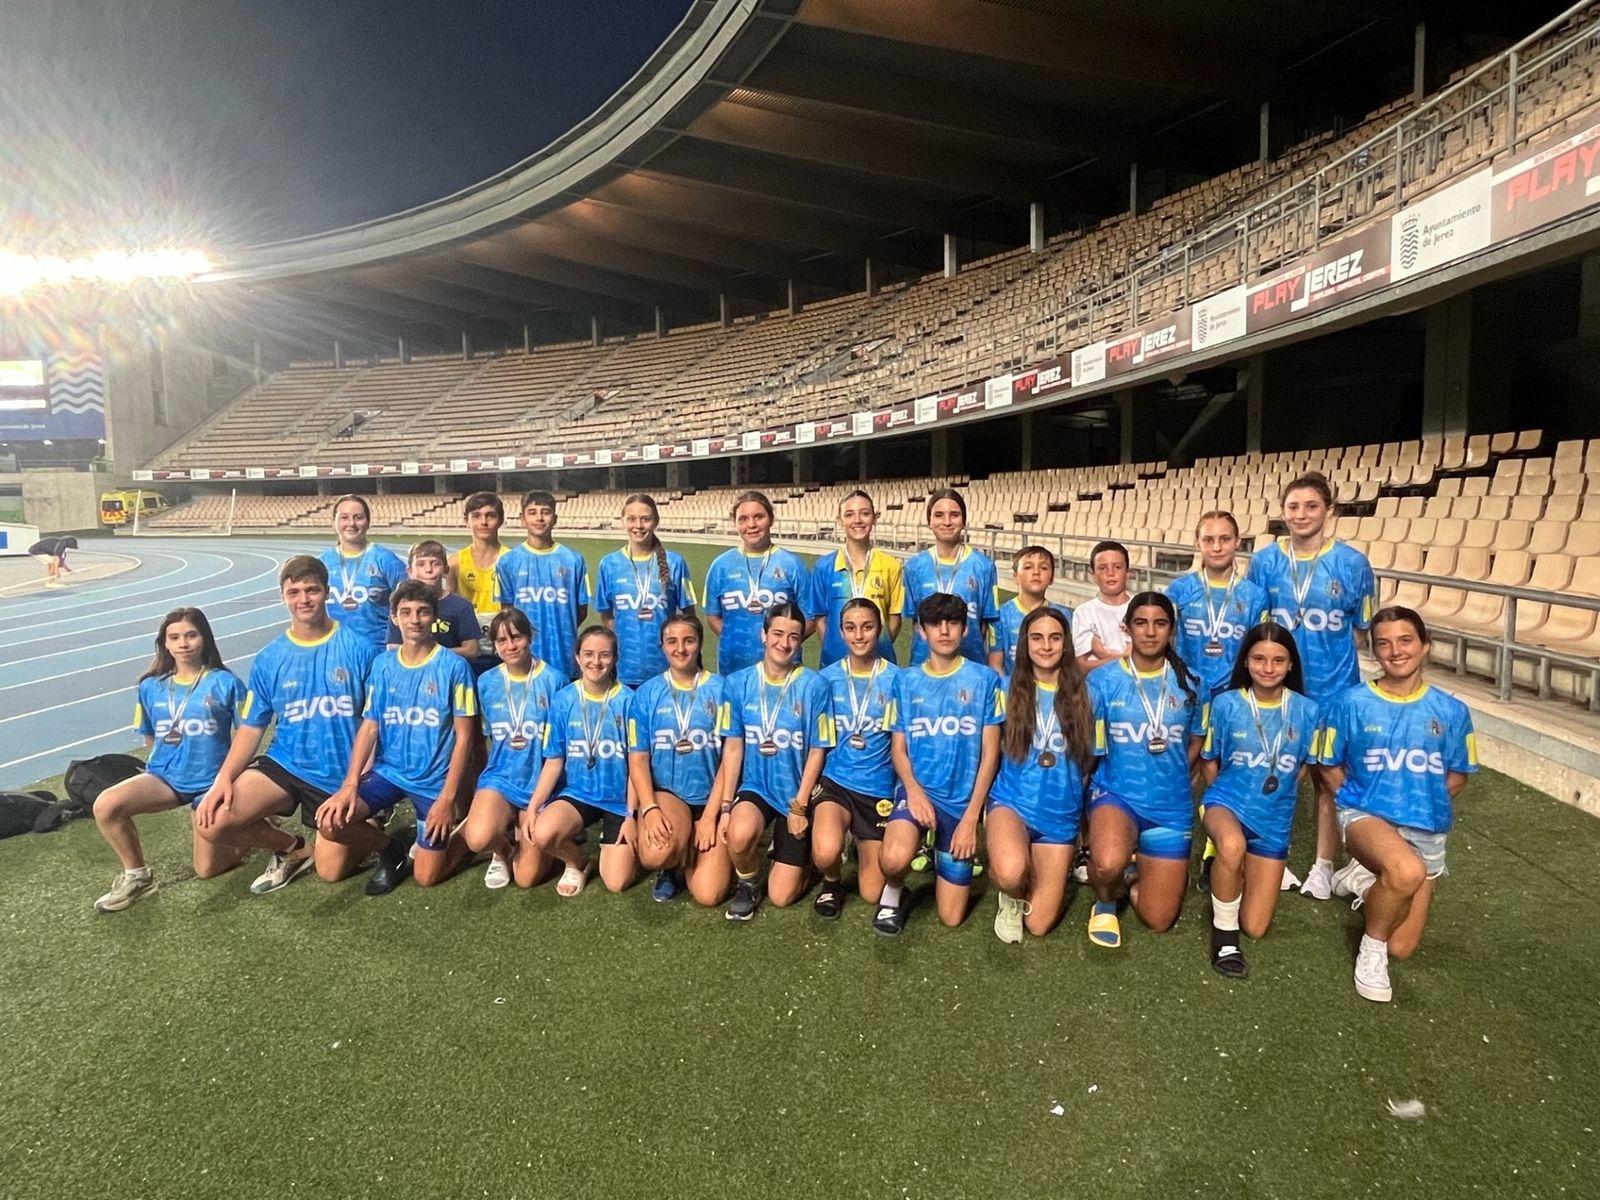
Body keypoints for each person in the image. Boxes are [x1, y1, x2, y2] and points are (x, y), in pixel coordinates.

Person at [1315, 607, 1477, 1003]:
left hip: (1426, 827)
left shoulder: (1452, 712)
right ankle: (1369, 954)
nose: (1395, 651)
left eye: (1405, 640)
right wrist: (1353, 802)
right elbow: (1327, 762)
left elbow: (1458, 774)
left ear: (1425, 646)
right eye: (1383, 643)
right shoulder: (1349, 702)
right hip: (1366, 816)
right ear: (1374, 651)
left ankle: (1363, 880)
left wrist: (1421, 803)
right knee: (1405, 871)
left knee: (1402, 946)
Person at [194, 556, 380, 893]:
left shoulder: (360, 648)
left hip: (341, 773)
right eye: (294, 592)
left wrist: (364, 777)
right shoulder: (269, 658)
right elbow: (252, 727)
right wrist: (224, 779)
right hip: (287, 764)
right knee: (213, 821)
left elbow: (376, 720)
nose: (303, 599)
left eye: (311, 590)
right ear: (283, 596)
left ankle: (372, 820)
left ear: (327, 592)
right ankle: (293, 849)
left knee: (331, 872)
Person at [1247, 471, 1376, 900]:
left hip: (1333, 688)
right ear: (1283, 513)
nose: (1301, 514)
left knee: (1325, 777)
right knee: (1272, 767)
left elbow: (1360, 630)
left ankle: (1323, 865)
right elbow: (1255, 623)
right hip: (1277, 684)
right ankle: (1271, 855)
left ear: (1330, 511)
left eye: (1311, 506)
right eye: (1293, 507)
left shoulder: (1354, 564)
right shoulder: (1265, 561)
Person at [321, 581, 479, 895]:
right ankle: (390, 849)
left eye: (422, 612)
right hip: (388, 773)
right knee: (331, 823)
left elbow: (465, 738)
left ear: (434, 617)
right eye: (406, 612)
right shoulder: (382, 665)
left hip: (433, 782)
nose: (415, 619)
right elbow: (370, 726)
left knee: (426, 877)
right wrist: (350, 784)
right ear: (394, 618)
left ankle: (465, 836)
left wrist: (447, 800)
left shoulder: (455, 667)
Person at [90, 608, 249, 912]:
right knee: (106, 805)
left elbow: (247, 734)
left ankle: (245, 829)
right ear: (164, 643)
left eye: (191, 635)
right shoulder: (150, 686)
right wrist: (164, 763)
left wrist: (228, 780)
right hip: (165, 779)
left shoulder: (226, 683)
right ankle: (137, 875)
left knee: (207, 869)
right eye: (174, 637)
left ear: (205, 638)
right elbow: (150, 736)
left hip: (212, 785)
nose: (184, 644)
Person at [874, 593, 1005, 935]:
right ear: (920, 631)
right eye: (935, 624)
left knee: (951, 916)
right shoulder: (905, 680)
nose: (944, 631)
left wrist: (971, 819)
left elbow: (991, 753)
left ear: (965, 630)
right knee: (893, 860)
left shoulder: (985, 680)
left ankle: (940, 847)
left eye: (952, 623)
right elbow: (898, 750)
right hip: (917, 793)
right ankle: (893, 892)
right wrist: (913, 792)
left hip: (962, 803)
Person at [1197, 624, 1321, 977]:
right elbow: (1209, 759)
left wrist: (1275, 795)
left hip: (1274, 819)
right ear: (1246, 662)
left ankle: (1226, 870)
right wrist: (1217, 796)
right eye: (1259, 659)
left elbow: (1303, 769)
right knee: (1232, 844)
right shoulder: (1225, 704)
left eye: (1278, 660)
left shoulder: (1308, 711)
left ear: (1291, 665)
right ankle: (1224, 936)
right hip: (1226, 803)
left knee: (1256, 925)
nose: (1268, 668)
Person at [1083, 592, 1205, 949]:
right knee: (1106, 863)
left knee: (1159, 919)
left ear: (1171, 631)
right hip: (1116, 795)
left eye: (1160, 623)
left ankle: (1135, 872)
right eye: (1141, 623)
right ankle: (1105, 900)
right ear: (1127, 628)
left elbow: (1196, 740)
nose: (1150, 632)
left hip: (1170, 806)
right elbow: (1094, 746)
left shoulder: (1194, 684)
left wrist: (1180, 773)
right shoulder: (1103, 681)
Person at [714, 601, 835, 921]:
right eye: (778, 634)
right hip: (758, 787)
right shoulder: (737, 684)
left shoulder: (815, 686)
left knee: (782, 896)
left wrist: (800, 806)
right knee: (738, 834)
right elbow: (734, 747)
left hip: (797, 792)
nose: (784, 643)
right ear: (763, 635)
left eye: (793, 636)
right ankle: (748, 882)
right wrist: (726, 807)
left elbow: (817, 750)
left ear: (800, 640)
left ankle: (804, 857)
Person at [986, 607, 1093, 942]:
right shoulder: (1004, 690)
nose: (1046, 646)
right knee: (1009, 872)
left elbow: (1093, 763)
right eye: (1037, 637)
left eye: (1055, 637)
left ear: (1066, 644)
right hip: (1012, 804)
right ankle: (1010, 888)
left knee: (1039, 925)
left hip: (1060, 817)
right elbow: (987, 751)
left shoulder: (1090, 696)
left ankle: (1032, 863)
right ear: (1024, 643)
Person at [626, 613, 730, 906]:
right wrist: (649, 809)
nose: (680, 649)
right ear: (661, 646)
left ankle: (691, 841)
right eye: (672, 642)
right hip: (670, 796)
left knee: (710, 895)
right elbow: (638, 760)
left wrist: (711, 816)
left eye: (688, 641)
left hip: (710, 797)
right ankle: (669, 865)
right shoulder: (646, 694)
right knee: (655, 853)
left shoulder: (722, 689)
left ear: (699, 644)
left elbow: (730, 759)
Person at [524, 626, 637, 896]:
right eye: (588, 654)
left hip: (619, 801)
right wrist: (533, 806)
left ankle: (614, 847)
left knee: (616, 882)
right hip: (579, 794)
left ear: (615, 659)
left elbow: (637, 765)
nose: (595, 662)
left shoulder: (630, 701)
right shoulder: (563, 700)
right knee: (542, 833)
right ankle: (578, 862)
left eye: (604, 655)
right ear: (577, 657)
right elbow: (554, 760)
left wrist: (633, 815)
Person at [461, 609, 565, 889]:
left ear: (529, 637)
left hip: (541, 782)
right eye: (502, 641)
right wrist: (480, 792)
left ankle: (533, 834)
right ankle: (503, 849)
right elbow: (483, 738)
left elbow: (561, 749)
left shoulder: (554, 680)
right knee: (477, 838)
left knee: (527, 878)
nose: (510, 646)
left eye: (516, 637)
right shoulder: (486, 682)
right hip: (502, 778)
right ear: (494, 646)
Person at [811, 597, 901, 918]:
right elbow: (817, 741)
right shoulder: (826, 679)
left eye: (867, 627)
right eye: (850, 628)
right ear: (841, 632)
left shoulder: (896, 680)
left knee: (871, 892)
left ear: (880, 630)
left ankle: (859, 840)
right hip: (836, 782)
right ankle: (831, 880)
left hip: (877, 789)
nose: (859, 635)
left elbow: (902, 744)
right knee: (824, 852)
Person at [704, 490, 813, 676]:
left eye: (758, 517)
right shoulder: (720, 566)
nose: (751, 525)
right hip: (733, 669)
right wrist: (733, 638)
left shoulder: (792, 564)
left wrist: (784, 643)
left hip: (783, 669)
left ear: (770, 519)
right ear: (735, 523)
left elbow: (810, 618)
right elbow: (712, 616)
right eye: (743, 519)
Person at [595, 493, 696, 687]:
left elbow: (689, 616)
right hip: (624, 671)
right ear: (622, 520)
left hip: (669, 670)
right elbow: (606, 614)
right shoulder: (609, 564)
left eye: (646, 519)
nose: (638, 526)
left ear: (656, 521)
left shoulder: (675, 563)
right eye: (631, 519)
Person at [1165, 513, 1268, 700]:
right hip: (1185, 689)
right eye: (1208, 540)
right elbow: (1164, 640)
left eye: (1225, 539)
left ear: (1237, 541)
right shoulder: (1178, 590)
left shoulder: (1255, 596)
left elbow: (1260, 650)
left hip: (1234, 694)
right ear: (1197, 543)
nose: (1217, 547)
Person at [495, 489, 590, 683]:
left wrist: (560, 627)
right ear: (522, 518)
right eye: (532, 512)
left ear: (555, 518)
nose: (539, 518)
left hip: (564, 659)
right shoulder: (507, 562)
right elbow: (507, 612)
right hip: (524, 660)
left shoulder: (573, 560)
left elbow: (581, 611)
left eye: (545, 512)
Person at [901, 488, 999, 667]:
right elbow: (915, 622)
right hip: (924, 666)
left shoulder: (984, 566)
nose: (947, 522)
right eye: (939, 515)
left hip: (970, 666)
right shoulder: (913, 567)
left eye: (954, 515)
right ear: (929, 521)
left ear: (964, 520)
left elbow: (986, 624)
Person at [809, 489, 904, 666]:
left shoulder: (891, 566)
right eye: (849, 514)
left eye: (865, 514)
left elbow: (895, 618)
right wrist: (834, 647)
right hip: (835, 663)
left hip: (879, 663)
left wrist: (876, 645)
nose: (858, 520)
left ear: (874, 518)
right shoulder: (823, 567)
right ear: (840, 520)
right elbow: (820, 618)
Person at [318, 494, 408, 648]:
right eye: (344, 517)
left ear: (368, 522)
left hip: (377, 654)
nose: (351, 523)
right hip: (334, 652)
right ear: (334, 522)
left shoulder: (386, 560)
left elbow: (408, 605)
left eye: (358, 517)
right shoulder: (322, 563)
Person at [387, 540, 483, 662]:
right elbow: (393, 647)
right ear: (410, 571)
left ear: (446, 569)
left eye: (435, 564)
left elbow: (471, 650)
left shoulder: (461, 606)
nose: (428, 570)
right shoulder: (401, 605)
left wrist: (431, 653)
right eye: (421, 564)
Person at [449, 491, 509, 673]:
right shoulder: (455, 562)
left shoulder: (510, 559)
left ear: (500, 520)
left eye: (490, 515)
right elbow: (450, 608)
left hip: (504, 648)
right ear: (466, 521)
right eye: (476, 516)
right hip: (469, 647)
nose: (483, 522)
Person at [990, 545, 1071, 677]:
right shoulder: (1001, 615)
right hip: (1014, 692)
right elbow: (995, 664)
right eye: (1028, 567)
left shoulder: (1064, 615)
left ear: (1052, 578)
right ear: (1015, 576)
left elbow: (1068, 663)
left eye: (1044, 568)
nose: (1036, 572)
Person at [1073, 540, 1133, 673]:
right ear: (1093, 575)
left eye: (1117, 567)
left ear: (1128, 572)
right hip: (1096, 689)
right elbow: (1081, 666)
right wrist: (1122, 658)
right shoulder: (1083, 612)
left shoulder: (1141, 609)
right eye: (1102, 568)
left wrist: (1103, 655)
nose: (1110, 573)